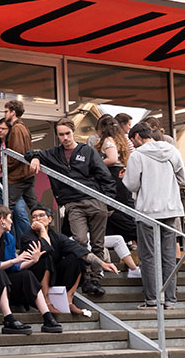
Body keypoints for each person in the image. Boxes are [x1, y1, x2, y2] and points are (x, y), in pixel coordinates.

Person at [25, 119, 115, 296]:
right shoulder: (53, 153)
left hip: (95, 201)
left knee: (98, 243)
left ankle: (95, 279)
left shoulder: (87, 151)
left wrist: (108, 202)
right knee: (80, 240)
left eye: (68, 133)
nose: (65, 137)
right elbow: (29, 152)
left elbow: (105, 176)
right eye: (61, 134)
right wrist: (34, 157)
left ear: (73, 132)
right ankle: (86, 277)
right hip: (73, 204)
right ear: (57, 135)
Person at [124, 122, 185, 309]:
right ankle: (170, 299)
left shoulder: (137, 155)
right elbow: (182, 178)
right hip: (171, 209)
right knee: (169, 255)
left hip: (148, 210)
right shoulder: (171, 150)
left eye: (132, 139)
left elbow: (131, 184)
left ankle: (152, 299)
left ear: (137, 137)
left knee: (149, 255)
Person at [0, 204, 63, 335]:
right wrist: (16, 259)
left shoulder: (9, 238)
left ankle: (47, 317)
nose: (12, 221)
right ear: (1, 220)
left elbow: (14, 267)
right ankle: (8, 319)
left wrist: (33, 260)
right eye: (10, 218)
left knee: (27, 274)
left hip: (5, 285)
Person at [20, 207, 119, 314]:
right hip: (34, 277)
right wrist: (43, 230)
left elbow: (79, 250)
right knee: (45, 256)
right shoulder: (27, 237)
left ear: (49, 219)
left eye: (41, 216)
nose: (37, 219)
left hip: (54, 275)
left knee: (76, 257)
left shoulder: (57, 236)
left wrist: (103, 263)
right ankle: (46, 302)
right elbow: (46, 249)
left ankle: (69, 300)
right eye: (34, 217)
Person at [98, 115, 138, 251]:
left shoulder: (108, 140)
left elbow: (112, 158)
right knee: (122, 207)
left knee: (113, 210)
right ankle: (119, 240)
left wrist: (95, 164)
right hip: (121, 175)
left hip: (112, 177)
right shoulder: (121, 140)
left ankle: (136, 233)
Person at [3, 100, 37, 241]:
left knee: (6, 209)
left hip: (18, 176)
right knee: (35, 206)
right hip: (26, 175)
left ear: (13, 112)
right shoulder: (23, 128)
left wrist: (4, 166)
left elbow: (16, 155)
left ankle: (4, 239)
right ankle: (41, 235)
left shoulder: (17, 129)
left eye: (6, 111)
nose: (4, 114)